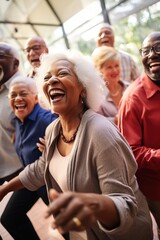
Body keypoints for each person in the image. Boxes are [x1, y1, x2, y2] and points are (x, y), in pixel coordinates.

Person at [0, 50, 153, 240]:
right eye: (47, 77)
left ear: (83, 87)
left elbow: (125, 203)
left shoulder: (100, 132)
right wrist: (4, 189)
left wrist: (94, 204)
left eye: (62, 73)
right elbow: (41, 168)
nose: (52, 80)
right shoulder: (54, 129)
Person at [0, 76, 57, 239]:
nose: (17, 98)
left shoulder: (46, 120)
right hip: (32, 180)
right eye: (13, 95)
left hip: (51, 184)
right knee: (10, 218)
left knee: (68, 228)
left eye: (23, 93)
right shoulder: (17, 120)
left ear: (36, 97)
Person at [117, 31, 160, 239]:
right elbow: (131, 152)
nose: (152, 54)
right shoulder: (132, 99)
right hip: (157, 187)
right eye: (146, 51)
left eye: (158, 48)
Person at [0, 42, 23, 184]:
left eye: (0, 56)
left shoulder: (24, 87)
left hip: (22, 166)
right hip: (4, 166)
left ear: (15, 63)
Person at [92, 45, 129, 123]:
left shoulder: (130, 88)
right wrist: (115, 120)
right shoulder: (96, 97)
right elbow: (96, 122)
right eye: (109, 67)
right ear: (100, 70)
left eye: (116, 66)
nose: (115, 70)